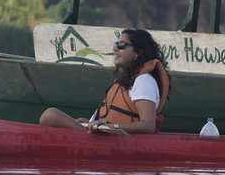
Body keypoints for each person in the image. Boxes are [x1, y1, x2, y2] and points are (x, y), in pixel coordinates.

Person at [40, 28, 169, 134]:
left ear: (138, 53)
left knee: (50, 115)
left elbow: (148, 126)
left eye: (121, 45)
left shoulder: (143, 81)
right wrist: (90, 122)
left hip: (118, 139)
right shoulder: (127, 79)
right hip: (106, 133)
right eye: (115, 45)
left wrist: (113, 127)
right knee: (51, 117)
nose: (115, 49)